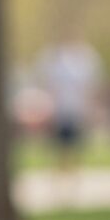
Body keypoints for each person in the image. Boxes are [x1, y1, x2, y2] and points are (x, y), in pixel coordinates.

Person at [37, 34, 103, 173]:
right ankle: (62, 172)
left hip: (76, 110)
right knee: (61, 146)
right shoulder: (55, 61)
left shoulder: (83, 61)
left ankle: (73, 172)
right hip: (61, 111)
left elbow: (89, 87)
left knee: (75, 145)